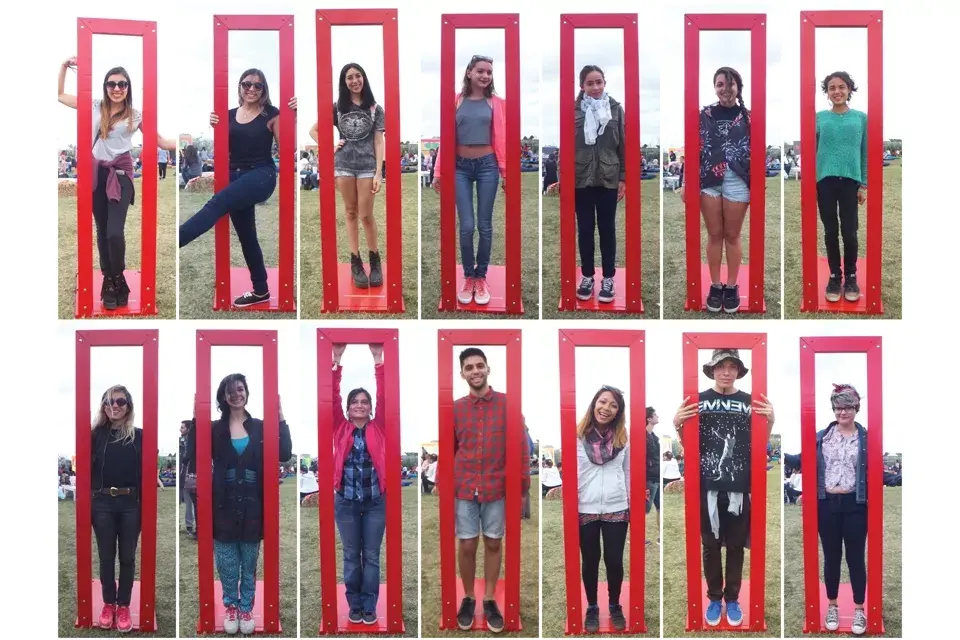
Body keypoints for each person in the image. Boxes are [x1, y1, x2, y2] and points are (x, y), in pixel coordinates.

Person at [58, 57, 177, 311]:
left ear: (128, 87)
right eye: (112, 84)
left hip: (121, 175)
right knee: (101, 230)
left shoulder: (135, 115)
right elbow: (60, 96)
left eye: (122, 84)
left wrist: (218, 138)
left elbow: (163, 142)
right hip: (96, 174)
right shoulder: (94, 106)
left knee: (114, 231)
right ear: (105, 86)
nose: (117, 88)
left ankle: (118, 275)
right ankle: (110, 281)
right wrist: (64, 68)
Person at [184, 374, 293, 635]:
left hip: (254, 502)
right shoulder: (213, 429)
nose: (236, 394)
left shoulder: (260, 426)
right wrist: (196, 416)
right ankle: (230, 606)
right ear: (223, 396)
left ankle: (246, 608)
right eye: (230, 391)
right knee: (226, 560)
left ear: (247, 392)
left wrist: (280, 416)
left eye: (240, 389)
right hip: (222, 501)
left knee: (249, 558)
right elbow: (191, 453)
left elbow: (284, 453)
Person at [178, 68, 298, 307]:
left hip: (261, 175)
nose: (251, 89)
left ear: (264, 89)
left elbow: (288, 148)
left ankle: (177, 240)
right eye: (246, 84)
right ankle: (261, 290)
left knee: (217, 204)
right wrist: (215, 125)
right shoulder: (228, 114)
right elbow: (223, 147)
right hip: (235, 176)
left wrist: (293, 118)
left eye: (257, 85)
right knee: (247, 237)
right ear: (239, 87)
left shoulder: (272, 114)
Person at [673, 349, 775, 627]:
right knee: (710, 545)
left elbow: (759, 445)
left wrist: (771, 421)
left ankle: (732, 598)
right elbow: (689, 445)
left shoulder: (749, 401)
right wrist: (677, 425)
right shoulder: (699, 400)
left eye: (732, 367)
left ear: (739, 371)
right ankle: (714, 597)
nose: (726, 372)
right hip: (707, 487)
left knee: (735, 546)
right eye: (721, 366)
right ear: (712, 369)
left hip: (738, 488)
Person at [452, 347, 530, 632]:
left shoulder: (509, 404)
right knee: (467, 543)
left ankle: (489, 599)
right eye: (469, 367)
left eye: (479, 365)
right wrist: (444, 484)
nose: (475, 371)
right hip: (464, 487)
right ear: (462, 373)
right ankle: (469, 597)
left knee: (494, 542)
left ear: (488, 369)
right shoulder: (456, 408)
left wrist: (522, 487)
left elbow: (521, 448)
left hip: (497, 487)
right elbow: (450, 450)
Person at [784, 384, 869, 635]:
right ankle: (832, 605)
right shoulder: (822, 436)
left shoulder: (866, 438)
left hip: (855, 505)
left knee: (855, 558)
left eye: (848, 407)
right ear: (833, 408)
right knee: (831, 557)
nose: (843, 412)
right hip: (827, 504)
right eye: (838, 407)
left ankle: (859, 609)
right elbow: (800, 460)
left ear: (856, 408)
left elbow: (874, 469)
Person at [433, 55, 508, 306]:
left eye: (489, 71)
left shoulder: (497, 103)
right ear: (469, 73)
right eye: (480, 71)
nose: (485, 76)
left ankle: (481, 276)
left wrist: (506, 172)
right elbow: (445, 138)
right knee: (466, 226)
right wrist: (437, 172)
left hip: (487, 166)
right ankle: (468, 275)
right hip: (460, 168)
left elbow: (504, 139)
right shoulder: (455, 101)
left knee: (485, 226)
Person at [550, 66, 626, 303]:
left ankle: (609, 278)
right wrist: (563, 179)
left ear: (605, 82)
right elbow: (564, 149)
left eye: (599, 82)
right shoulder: (572, 111)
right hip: (580, 179)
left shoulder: (615, 109)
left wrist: (623, 177)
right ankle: (587, 276)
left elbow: (624, 144)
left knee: (607, 230)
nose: (595, 87)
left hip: (608, 178)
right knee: (584, 229)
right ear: (581, 86)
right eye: (590, 83)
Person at [681, 67, 752, 314]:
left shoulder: (749, 116)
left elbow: (757, 150)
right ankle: (715, 284)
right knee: (714, 234)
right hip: (708, 180)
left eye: (730, 84)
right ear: (715, 87)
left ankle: (731, 286)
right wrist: (685, 181)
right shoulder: (704, 115)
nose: (725, 89)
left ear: (738, 87)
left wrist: (758, 179)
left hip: (737, 180)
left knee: (732, 235)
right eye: (720, 84)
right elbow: (691, 148)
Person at [309, 63, 385, 289]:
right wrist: (331, 144)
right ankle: (355, 261)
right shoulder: (337, 107)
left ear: (364, 78)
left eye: (358, 76)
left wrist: (379, 172)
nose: (354, 80)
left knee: (366, 215)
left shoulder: (375, 109)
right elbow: (313, 130)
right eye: (349, 77)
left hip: (366, 167)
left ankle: (375, 259)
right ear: (344, 82)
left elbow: (379, 140)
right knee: (350, 213)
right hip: (343, 166)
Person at [330, 343, 389, 625]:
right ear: (348, 407)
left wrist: (379, 360)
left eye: (365, 402)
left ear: (370, 407)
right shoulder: (340, 427)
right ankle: (354, 604)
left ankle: (370, 604)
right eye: (355, 402)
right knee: (352, 555)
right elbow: (330, 397)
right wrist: (336, 361)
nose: (360, 405)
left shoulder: (380, 427)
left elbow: (387, 395)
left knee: (372, 556)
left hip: (376, 502)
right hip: (346, 502)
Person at [88, 385, 144, 632]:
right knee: (106, 557)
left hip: (131, 503)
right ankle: (108, 603)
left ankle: (123, 605)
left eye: (120, 401)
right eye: (109, 401)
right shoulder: (95, 435)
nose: (115, 405)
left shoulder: (139, 435)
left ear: (128, 405)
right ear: (103, 405)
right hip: (102, 503)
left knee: (128, 558)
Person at [576, 385, 631, 632]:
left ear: (619, 412)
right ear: (594, 403)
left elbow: (627, 472)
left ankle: (615, 604)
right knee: (590, 560)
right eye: (603, 401)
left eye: (613, 405)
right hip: (585, 506)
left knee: (614, 560)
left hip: (616, 506)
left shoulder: (624, 438)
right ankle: (591, 606)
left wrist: (630, 502)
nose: (606, 408)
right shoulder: (577, 436)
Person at [815, 71, 868, 303]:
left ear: (849, 90)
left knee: (850, 232)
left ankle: (852, 276)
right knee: (829, 231)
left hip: (850, 182)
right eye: (831, 87)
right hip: (824, 181)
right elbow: (810, 151)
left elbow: (865, 152)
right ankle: (835, 275)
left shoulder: (861, 118)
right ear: (827, 92)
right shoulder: (818, 118)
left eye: (841, 87)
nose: (837, 91)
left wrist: (863, 184)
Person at [644, 407, 661, 540]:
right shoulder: (642, 436)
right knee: (644, 510)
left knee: (660, 508)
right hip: (648, 479)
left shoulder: (654, 437)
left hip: (657, 477)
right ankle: (638, 537)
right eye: (655, 414)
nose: (657, 416)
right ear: (649, 418)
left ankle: (660, 536)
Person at [179, 420, 197, 537]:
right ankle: (182, 525)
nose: (180, 429)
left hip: (189, 476)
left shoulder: (193, 443)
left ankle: (190, 526)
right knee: (180, 501)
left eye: (182, 427)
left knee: (190, 502)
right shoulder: (180, 443)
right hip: (182, 476)